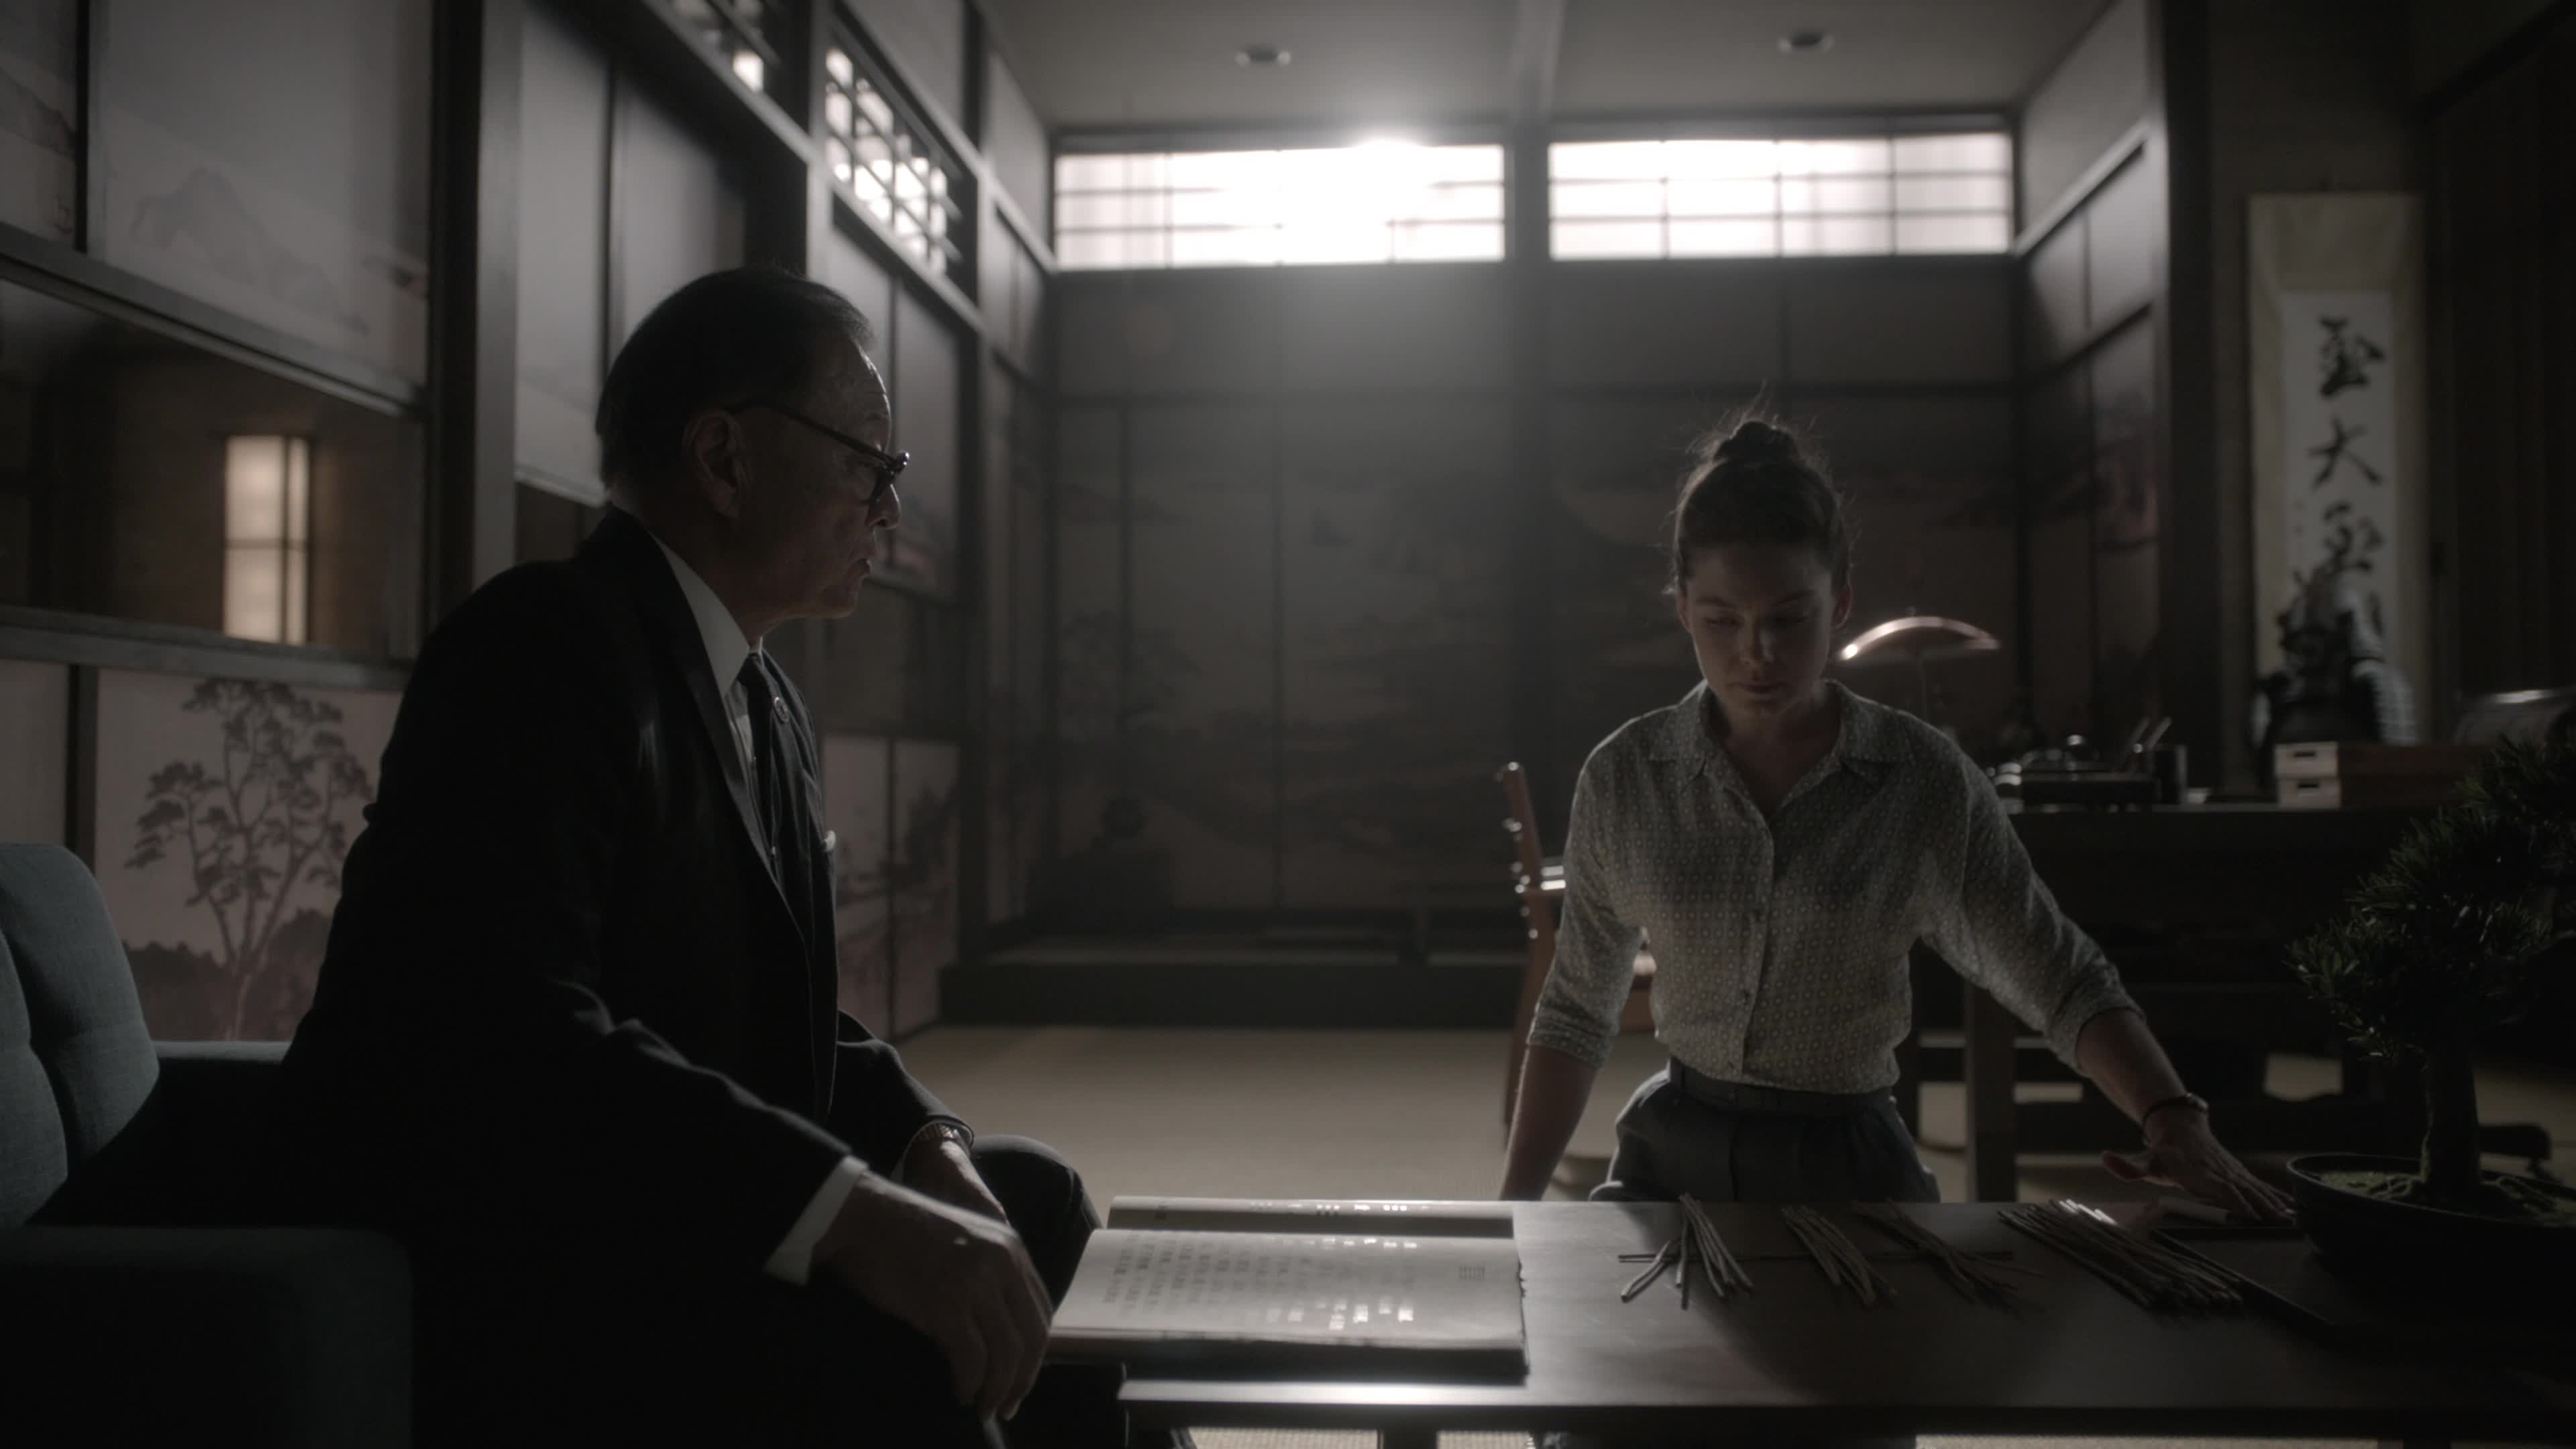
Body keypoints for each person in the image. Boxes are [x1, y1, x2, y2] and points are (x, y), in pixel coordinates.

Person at [278, 266, 1165, 1448]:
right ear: (725, 459)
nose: (889, 512)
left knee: (1032, 1203)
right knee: (907, 1339)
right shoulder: (541, 647)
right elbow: (505, 1027)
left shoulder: (765, 696)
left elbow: (775, 1014)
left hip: (668, 1205)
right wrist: (853, 1216)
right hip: (530, 1258)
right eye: (870, 465)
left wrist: (924, 1147)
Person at [1498, 417, 2293, 1442]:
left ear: (1841, 602)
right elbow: (1576, 1010)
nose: (1757, 654)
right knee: (1588, 1416)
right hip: (1673, 1158)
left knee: (1853, 1415)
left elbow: (2056, 973)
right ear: (1682, 608)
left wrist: (2171, 1115)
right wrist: (1510, 1211)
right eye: (1722, 620)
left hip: (1850, 1170)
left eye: (1790, 618)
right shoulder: (1629, 778)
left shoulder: (1918, 783)